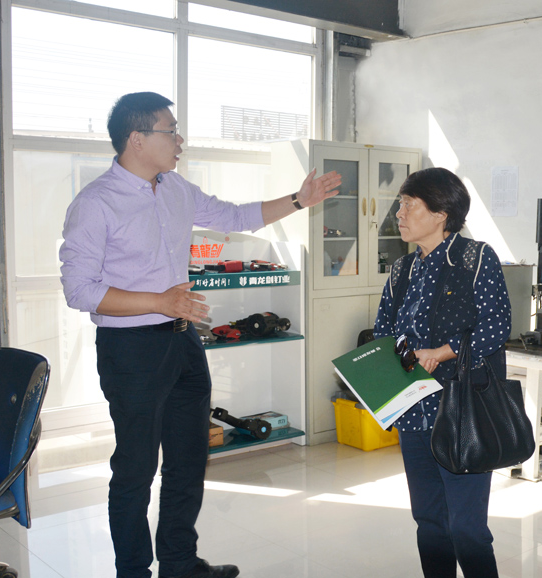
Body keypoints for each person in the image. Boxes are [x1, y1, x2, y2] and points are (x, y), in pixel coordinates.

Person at [59, 92, 341, 578]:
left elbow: (234, 216)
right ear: (137, 139)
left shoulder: (174, 188)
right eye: (171, 131)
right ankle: (133, 571)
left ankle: (179, 563)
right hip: (132, 349)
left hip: (183, 341)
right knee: (135, 469)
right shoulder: (95, 203)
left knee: (189, 460)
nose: (180, 140)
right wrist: (158, 301)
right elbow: (79, 290)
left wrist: (300, 200)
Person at [373, 167, 511, 578]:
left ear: (440, 213)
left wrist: (440, 353)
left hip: (462, 412)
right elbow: (384, 332)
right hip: (413, 412)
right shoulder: (402, 269)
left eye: (408, 204)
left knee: (466, 527)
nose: (399, 213)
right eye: (400, 204)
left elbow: (496, 325)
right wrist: (400, 359)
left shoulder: (474, 258)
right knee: (429, 521)